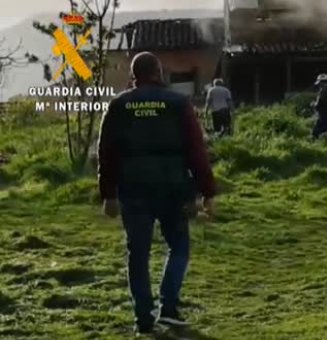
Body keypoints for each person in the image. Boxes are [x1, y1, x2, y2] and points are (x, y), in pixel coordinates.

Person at [97, 52, 216, 336]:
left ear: (134, 75)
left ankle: (144, 318)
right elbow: (196, 151)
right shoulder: (178, 103)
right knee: (179, 247)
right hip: (174, 186)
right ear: (159, 72)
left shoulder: (119, 105)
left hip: (133, 187)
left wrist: (108, 193)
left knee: (137, 253)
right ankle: (169, 308)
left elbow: (106, 153)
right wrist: (207, 191)